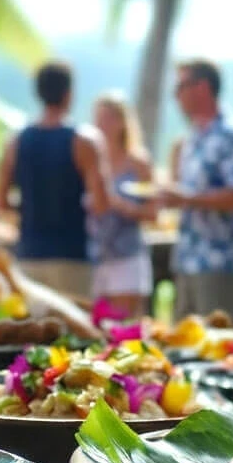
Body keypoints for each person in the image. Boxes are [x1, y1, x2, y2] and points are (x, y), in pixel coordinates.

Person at [0, 61, 109, 297]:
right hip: (72, 255)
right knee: (76, 330)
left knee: (34, 330)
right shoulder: (85, 141)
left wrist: (31, 208)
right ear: (68, 94)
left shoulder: (16, 141)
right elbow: (100, 204)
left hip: (29, 253)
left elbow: (0, 202)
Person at [160, 59, 233, 317]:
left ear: (201, 88)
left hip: (222, 262)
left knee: (218, 348)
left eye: (180, 87)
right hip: (189, 258)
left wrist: (187, 198)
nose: (175, 95)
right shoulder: (194, 136)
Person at [87, 94, 157, 316]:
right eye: (99, 119)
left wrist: (119, 205)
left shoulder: (138, 162)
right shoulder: (89, 159)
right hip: (94, 256)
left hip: (127, 257)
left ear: (122, 122)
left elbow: (153, 213)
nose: (102, 125)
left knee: (123, 329)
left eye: (108, 119)